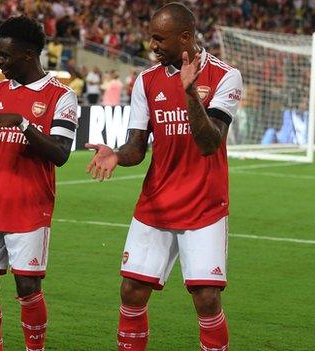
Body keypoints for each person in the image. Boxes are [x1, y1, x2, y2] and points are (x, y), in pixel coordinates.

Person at [85, 3, 242, 351]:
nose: (152, 45)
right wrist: (116, 154)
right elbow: (137, 147)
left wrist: (189, 93)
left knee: (205, 298)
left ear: (185, 37)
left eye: (160, 38)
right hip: (157, 202)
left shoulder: (225, 76)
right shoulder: (147, 80)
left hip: (204, 205)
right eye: (151, 37)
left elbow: (210, 142)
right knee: (131, 291)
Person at [0, 15, 79, 351]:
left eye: (5, 55)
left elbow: (60, 153)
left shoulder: (60, 96)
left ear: (27, 55)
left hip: (29, 208)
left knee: (27, 287)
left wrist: (22, 122)